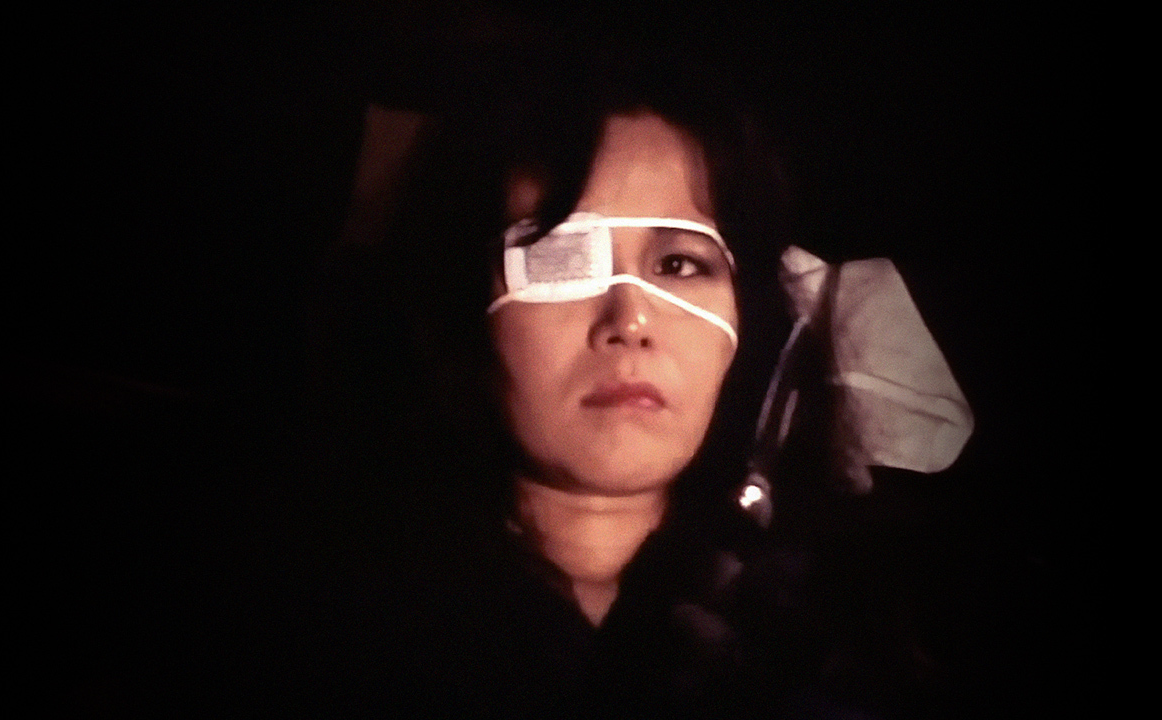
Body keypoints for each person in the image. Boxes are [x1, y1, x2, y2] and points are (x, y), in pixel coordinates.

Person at [321, 40, 961, 719]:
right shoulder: (329, 622)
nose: (629, 320)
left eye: (679, 265)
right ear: (460, 309)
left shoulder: (848, 632)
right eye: (560, 259)